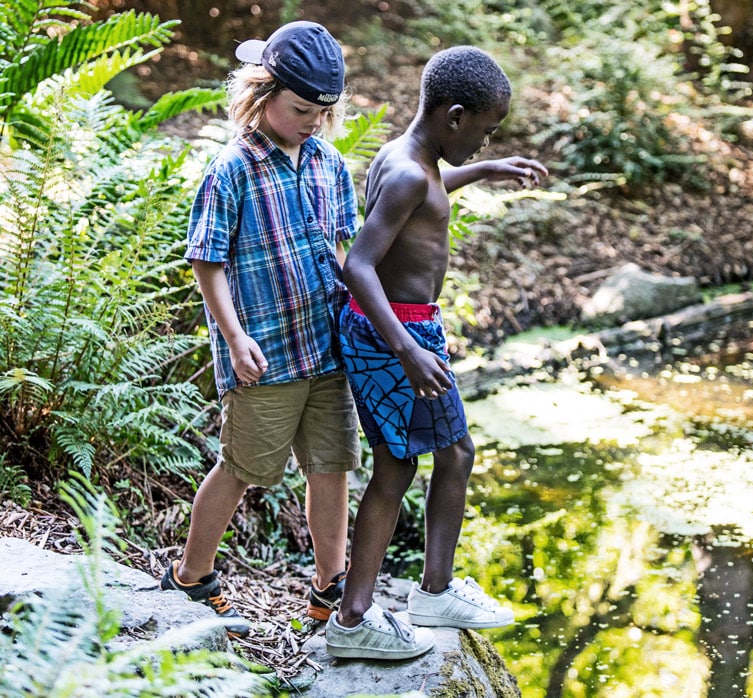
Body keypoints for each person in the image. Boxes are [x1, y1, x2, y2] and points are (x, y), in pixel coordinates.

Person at [324, 46, 548, 659]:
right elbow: (358, 265)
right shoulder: (405, 174)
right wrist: (406, 350)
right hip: (397, 336)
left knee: (443, 455)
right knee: (432, 459)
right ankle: (363, 616)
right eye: (484, 132)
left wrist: (485, 169)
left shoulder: (406, 159)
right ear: (454, 117)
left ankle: (418, 593)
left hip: (398, 332)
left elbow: (426, 191)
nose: (483, 141)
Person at [159, 21, 360, 638]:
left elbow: (343, 252)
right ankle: (191, 576)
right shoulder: (233, 169)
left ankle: (331, 588)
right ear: (261, 92)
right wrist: (234, 334)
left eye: (322, 112)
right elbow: (207, 259)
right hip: (265, 354)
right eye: (300, 109)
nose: (311, 122)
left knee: (332, 467)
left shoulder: (329, 163)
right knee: (242, 466)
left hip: (327, 351)